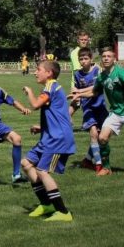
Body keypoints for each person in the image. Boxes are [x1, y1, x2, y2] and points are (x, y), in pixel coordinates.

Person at [21, 60, 76, 222]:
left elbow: (36, 105)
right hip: (49, 137)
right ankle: (46, 204)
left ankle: (63, 212)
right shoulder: (51, 87)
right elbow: (59, 114)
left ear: (49, 73)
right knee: (26, 163)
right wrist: (42, 128)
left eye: (38, 70)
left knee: (42, 171)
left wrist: (29, 91)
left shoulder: (51, 86)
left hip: (57, 139)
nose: (35, 72)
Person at [72, 47, 109, 174]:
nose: (83, 61)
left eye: (85, 58)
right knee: (93, 134)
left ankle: (87, 160)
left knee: (100, 137)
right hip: (88, 108)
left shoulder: (97, 70)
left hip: (101, 107)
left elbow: (97, 88)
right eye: (81, 59)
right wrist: (75, 100)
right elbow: (75, 90)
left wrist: (79, 92)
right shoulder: (77, 74)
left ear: (91, 59)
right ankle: (99, 166)